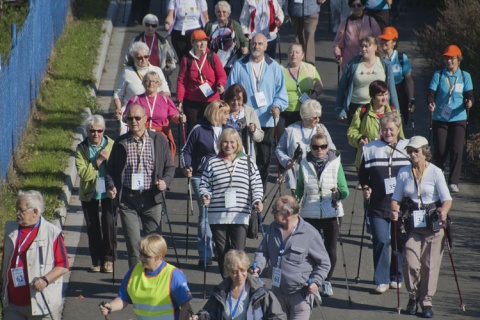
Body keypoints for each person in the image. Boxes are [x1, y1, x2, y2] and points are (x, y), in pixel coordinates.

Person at [106, 104, 175, 267]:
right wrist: (111, 186)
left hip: (151, 197)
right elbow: (110, 171)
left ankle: (155, 282)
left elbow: (170, 167)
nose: (134, 121)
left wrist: (165, 182)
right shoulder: (120, 142)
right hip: (128, 199)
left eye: (137, 118)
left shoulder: (158, 140)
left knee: (154, 247)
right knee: (134, 247)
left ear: (145, 119)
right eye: (129, 118)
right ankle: (135, 286)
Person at [391, 136, 452, 318]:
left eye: (416, 151)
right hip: (412, 224)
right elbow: (396, 198)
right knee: (410, 262)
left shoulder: (435, 172)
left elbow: (447, 198)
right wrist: (394, 210)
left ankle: (426, 301)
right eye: (410, 151)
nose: (413, 154)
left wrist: (443, 210)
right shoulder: (403, 172)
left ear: (425, 152)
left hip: (433, 224)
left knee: (430, 266)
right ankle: (412, 296)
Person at [252, 196, 331, 319]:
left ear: (287, 213)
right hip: (276, 296)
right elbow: (263, 251)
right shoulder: (272, 228)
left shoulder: (310, 234)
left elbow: (324, 263)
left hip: (300, 297)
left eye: (275, 210)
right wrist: (258, 266)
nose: (272, 212)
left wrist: (316, 281)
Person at [227, 33, 288, 191]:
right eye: (254, 43)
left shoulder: (274, 66)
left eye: (260, 44)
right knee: (242, 159)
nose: (256, 47)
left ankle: (258, 194)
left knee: (263, 160)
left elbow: (281, 94)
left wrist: (277, 106)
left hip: (266, 120)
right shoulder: (239, 65)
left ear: (266, 46)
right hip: (243, 120)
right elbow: (229, 91)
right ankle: (243, 191)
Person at [358, 112, 411, 294]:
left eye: (391, 129)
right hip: (378, 203)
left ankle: (396, 276)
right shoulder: (370, 148)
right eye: (384, 129)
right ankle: (381, 279)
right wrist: (366, 186)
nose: (387, 132)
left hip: (401, 205)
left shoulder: (407, 147)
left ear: (398, 129)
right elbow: (363, 173)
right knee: (381, 240)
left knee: (398, 241)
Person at [200, 129, 263, 277]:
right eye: (225, 142)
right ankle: (226, 282)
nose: (228, 145)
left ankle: (239, 283)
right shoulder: (213, 162)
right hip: (218, 214)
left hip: (240, 214)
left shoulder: (248, 161)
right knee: (222, 252)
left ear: (238, 144)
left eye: (232, 142)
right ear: (220, 144)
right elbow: (205, 184)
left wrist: (257, 200)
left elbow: (256, 184)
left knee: (238, 251)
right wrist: (205, 195)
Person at [295, 133, 349, 297]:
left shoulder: (335, 163)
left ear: (328, 147)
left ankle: (326, 281)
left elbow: (345, 190)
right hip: (309, 213)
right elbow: (299, 188)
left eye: (323, 147)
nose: (319, 150)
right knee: (310, 250)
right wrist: (294, 202)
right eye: (316, 147)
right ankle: (313, 281)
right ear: (310, 148)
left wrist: (337, 195)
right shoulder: (304, 163)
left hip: (331, 212)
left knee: (330, 249)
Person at [1, 190, 69, 319]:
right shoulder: (10, 228)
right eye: (16, 209)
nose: (17, 213)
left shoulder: (52, 233)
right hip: (12, 305)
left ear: (35, 212)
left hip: (40, 304)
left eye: (21, 210)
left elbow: (63, 265)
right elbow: (6, 260)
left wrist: (45, 280)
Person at [181, 100, 231, 266]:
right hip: (201, 175)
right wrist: (188, 165)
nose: (227, 116)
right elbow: (186, 151)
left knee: (221, 213)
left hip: (223, 176)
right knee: (206, 213)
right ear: (216, 113)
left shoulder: (228, 130)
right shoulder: (198, 129)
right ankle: (205, 254)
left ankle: (219, 249)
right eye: (225, 113)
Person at [99, 234, 193, 320]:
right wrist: (110, 306)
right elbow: (124, 298)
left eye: (147, 256)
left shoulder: (174, 275)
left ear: (159, 256)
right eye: (141, 254)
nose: (142, 258)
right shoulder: (134, 271)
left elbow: (186, 305)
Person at [427, 44, 474, 193]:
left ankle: (453, 181)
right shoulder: (439, 75)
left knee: (456, 149)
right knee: (440, 150)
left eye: (452, 59)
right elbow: (431, 94)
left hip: (458, 117)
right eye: (447, 58)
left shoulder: (465, 76)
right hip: (440, 117)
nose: (449, 62)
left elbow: (469, 94)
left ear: (458, 59)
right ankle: (438, 178)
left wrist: (469, 102)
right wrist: (430, 103)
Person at [193, 250, 287, 320]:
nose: (239, 275)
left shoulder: (261, 293)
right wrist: (198, 317)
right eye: (234, 272)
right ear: (228, 271)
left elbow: (278, 316)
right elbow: (209, 313)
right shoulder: (220, 291)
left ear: (247, 268)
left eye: (242, 270)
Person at [75, 115, 116, 273]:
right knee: (93, 227)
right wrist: (98, 161)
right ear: (87, 131)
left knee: (109, 224)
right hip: (89, 192)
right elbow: (84, 175)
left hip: (108, 190)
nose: (96, 134)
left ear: (104, 130)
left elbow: (117, 168)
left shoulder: (112, 145)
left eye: (99, 131)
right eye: (92, 131)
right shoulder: (82, 148)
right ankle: (97, 260)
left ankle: (108, 259)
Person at [276, 100, 336, 193]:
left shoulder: (322, 129)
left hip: (318, 175)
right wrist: (286, 161)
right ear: (305, 118)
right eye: (314, 118)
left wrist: (323, 138)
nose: (318, 120)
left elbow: (333, 151)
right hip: (297, 175)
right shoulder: (291, 130)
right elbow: (279, 149)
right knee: (297, 206)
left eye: (319, 117)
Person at [126, 71, 187, 162]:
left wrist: (180, 118)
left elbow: (174, 117)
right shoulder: (136, 100)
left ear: (159, 84)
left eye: (154, 81)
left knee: (160, 162)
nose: (151, 84)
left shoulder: (165, 99)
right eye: (148, 81)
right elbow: (125, 117)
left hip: (160, 136)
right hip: (140, 134)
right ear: (143, 83)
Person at [336, 35, 398, 123]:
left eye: (367, 46)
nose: (364, 49)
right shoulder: (353, 64)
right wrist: (339, 109)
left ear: (375, 47)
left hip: (378, 107)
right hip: (355, 108)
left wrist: (396, 110)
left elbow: (391, 89)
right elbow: (342, 87)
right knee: (356, 135)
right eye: (362, 46)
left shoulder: (384, 64)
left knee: (376, 135)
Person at [176, 29, 227, 133]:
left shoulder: (212, 56)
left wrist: (220, 84)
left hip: (212, 101)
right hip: (192, 102)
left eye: (205, 40)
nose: (202, 43)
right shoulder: (187, 59)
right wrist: (179, 100)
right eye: (199, 41)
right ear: (192, 43)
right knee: (194, 130)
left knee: (212, 128)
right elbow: (181, 81)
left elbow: (222, 75)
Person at [114, 42, 170, 135]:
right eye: (139, 58)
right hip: (131, 111)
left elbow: (166, 92)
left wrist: (155, 97)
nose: (144, 60)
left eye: (146, 56)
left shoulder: (157, 70)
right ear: (133, 58)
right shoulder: (127, 72)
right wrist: (118, 109)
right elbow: (118, 94)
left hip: (153, 110)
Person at [347, 80, 404, 169]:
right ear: (372, 96)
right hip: (368, 159)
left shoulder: (394, 112)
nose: (385, 98)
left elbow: (401, 136)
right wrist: (359, 140)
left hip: (389, 160)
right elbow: (351, 132)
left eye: (386, 94)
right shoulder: (362, 111)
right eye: (380, 95)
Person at [281, 43, 323, 128]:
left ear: (302, 55)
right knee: (284, 139)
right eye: (291, 52)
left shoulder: (309, 68)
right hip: (284, 111)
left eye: (297, 52)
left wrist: (314, 94)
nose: (294, 55)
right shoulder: (280, 69)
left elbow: (319, 85)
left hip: (305, 112)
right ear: (288, 54)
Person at [379, 26, 415, 125]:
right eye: (382, 39)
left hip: (399, 94)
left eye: (386, 40)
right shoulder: (378, 57)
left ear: (394, 43)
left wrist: (411, 99)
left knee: (397, 123)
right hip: (381, 94)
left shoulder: (401, 58)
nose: (383, 42)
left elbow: (409, 80)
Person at [333, 0, 381, 72]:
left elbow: (378, 40)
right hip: (350, 63)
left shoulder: (371, 21)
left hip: (368, 63)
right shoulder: (345, 23)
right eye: (353, 5)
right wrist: (338, 55)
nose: (356, 7)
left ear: (363, 6)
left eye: (359, 5)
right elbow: (337, 44)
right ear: (350, 8)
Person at [204, 1, 248, 74]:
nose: (221, 14)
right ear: (215, 12)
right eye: (219, 11)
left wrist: (245, 47)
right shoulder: (210, 25)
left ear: (228, 13)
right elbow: (205, 41)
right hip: (214, 63)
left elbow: (243, 40)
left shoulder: (235, 24)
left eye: (224, 12)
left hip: (232, 63)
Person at [224, 84, 264, 161]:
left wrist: (254, 130)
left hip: (245, 157)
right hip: (225, 156)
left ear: (243, 100)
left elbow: (260, 137)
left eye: (239, 100)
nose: (236, 102)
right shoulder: (223, 112)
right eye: (233, 99)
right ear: (228, 99)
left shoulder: (250, 112)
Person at [287, 0, 325, 65]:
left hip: (312, 10)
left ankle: (310, 64)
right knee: (298, 37)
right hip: (296, 10)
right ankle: (299, 63)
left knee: (310, 35)